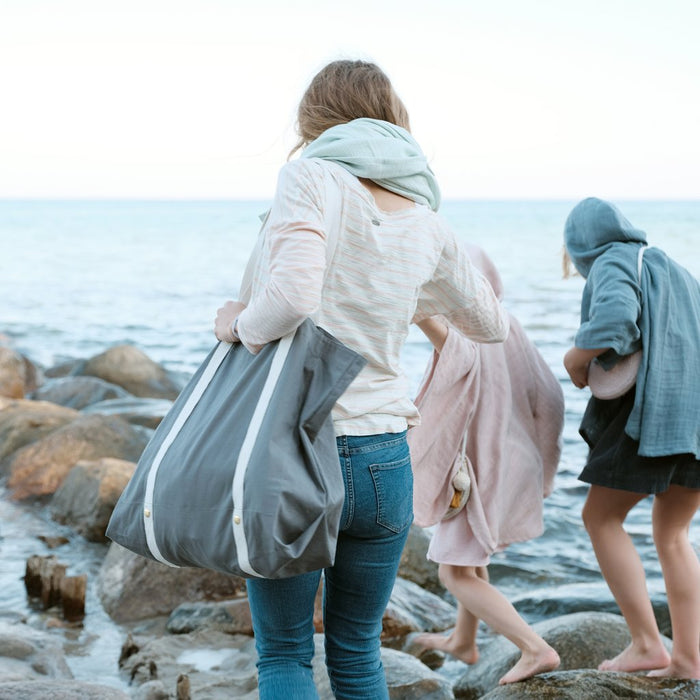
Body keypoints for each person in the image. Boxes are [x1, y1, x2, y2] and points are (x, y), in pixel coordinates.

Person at [213, 59, 509, 700]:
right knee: (357, 655)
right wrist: (399, 286)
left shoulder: (309, 176)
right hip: (382, 456)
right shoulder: (425, 218)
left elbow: (292, 293)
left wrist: (238, 323)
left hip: (295, 445)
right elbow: (490, 325)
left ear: (314, 117)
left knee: (286, 656)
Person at [407, 244, 564, 684]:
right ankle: (463, 640)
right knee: (471, 555)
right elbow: (550, 398)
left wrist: (415, 303)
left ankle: (536, 649)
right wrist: (546, 467)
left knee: (453, 571)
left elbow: (452, 359)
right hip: (517, 463)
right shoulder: (510, 325)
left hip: (478, 470)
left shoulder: (461, 332)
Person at [562, 197, 700, 679]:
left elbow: (616, 318)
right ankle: (688, 659)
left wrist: (576, 360)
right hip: (697, 420)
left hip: (656, 415)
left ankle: (646, 643)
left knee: (600, 518)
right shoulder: (674, 269)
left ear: (581, 245)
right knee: (674, 536)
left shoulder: (613, 259)